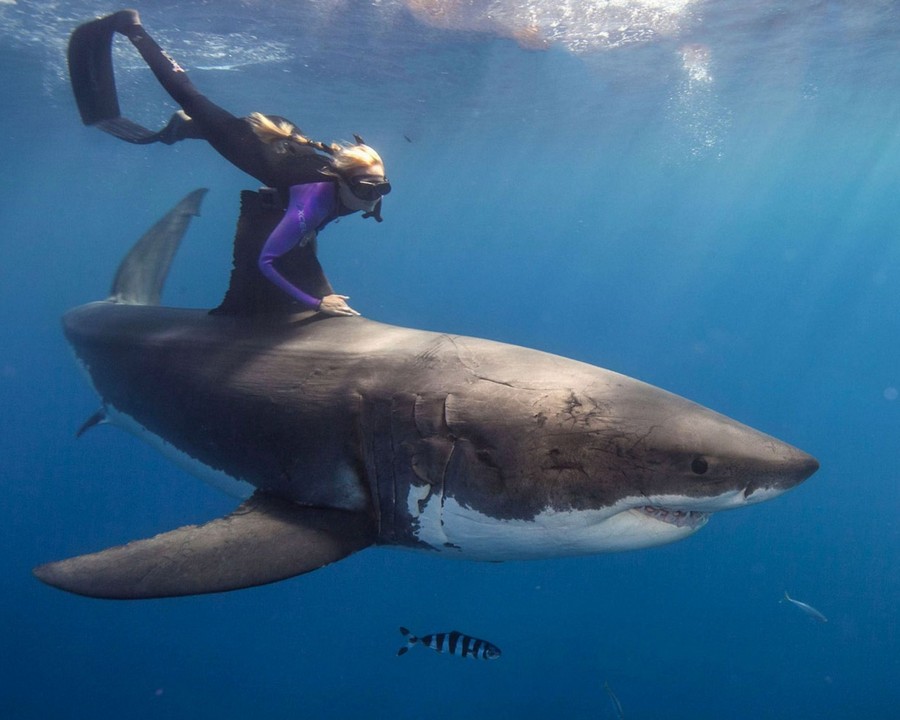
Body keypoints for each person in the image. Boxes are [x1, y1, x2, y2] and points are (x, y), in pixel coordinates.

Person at [68, 9, 391, 317]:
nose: (373, 195)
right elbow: (267, 261)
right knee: (191, 98)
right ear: (345, 182)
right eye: (366, 188)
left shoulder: (355, 188)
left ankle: (185, 128)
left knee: (205, 125)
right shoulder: (312, 201)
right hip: (250, 145)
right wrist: (315, 303)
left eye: (381, 188)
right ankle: (133, 28)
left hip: (286, 138)